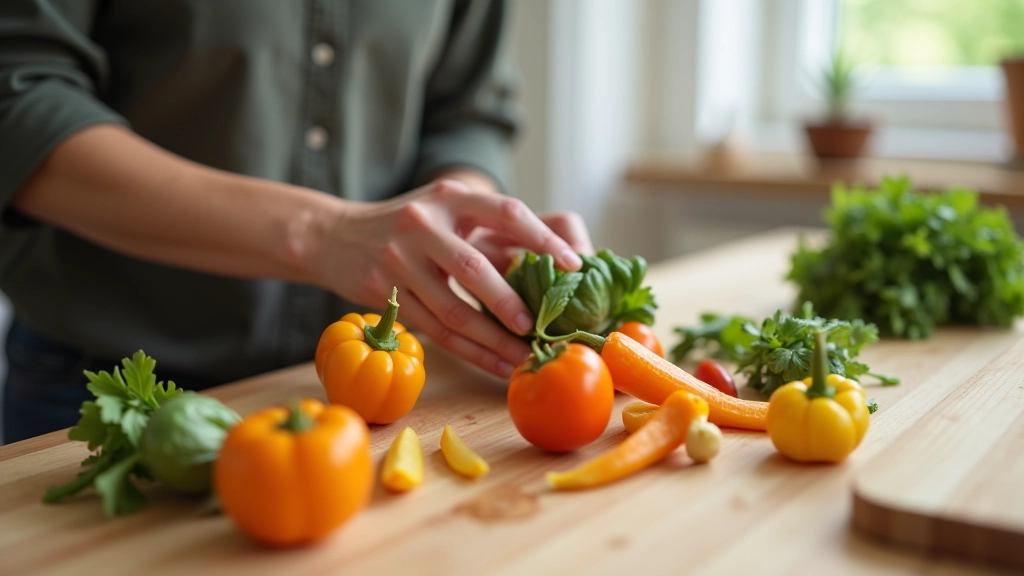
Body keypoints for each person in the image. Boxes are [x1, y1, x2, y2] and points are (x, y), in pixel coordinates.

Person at [0, 0, 592, 444]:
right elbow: (18, 98)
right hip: (103, 376)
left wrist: (460, 213)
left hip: (365, 394)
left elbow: (467, 109)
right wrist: (320, 233)